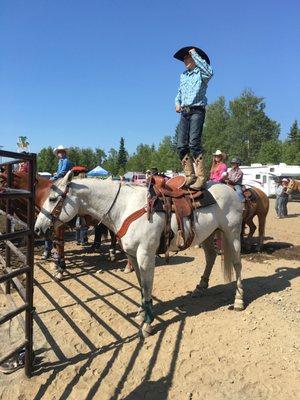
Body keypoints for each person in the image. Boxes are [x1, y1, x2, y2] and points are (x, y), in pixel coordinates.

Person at [174, 46, 213, 189]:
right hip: (184, 111)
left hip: (197, 110)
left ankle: (201, 177)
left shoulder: (202, 74)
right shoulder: (183, 75)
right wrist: (177, 103)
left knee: (194, 143)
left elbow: (210, 72)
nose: (185, 61)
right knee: (181, 145)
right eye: (183, 59)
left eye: (187, 57)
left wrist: (195, 54)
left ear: (196, 59)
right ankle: (190, 175)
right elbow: (179, 92)